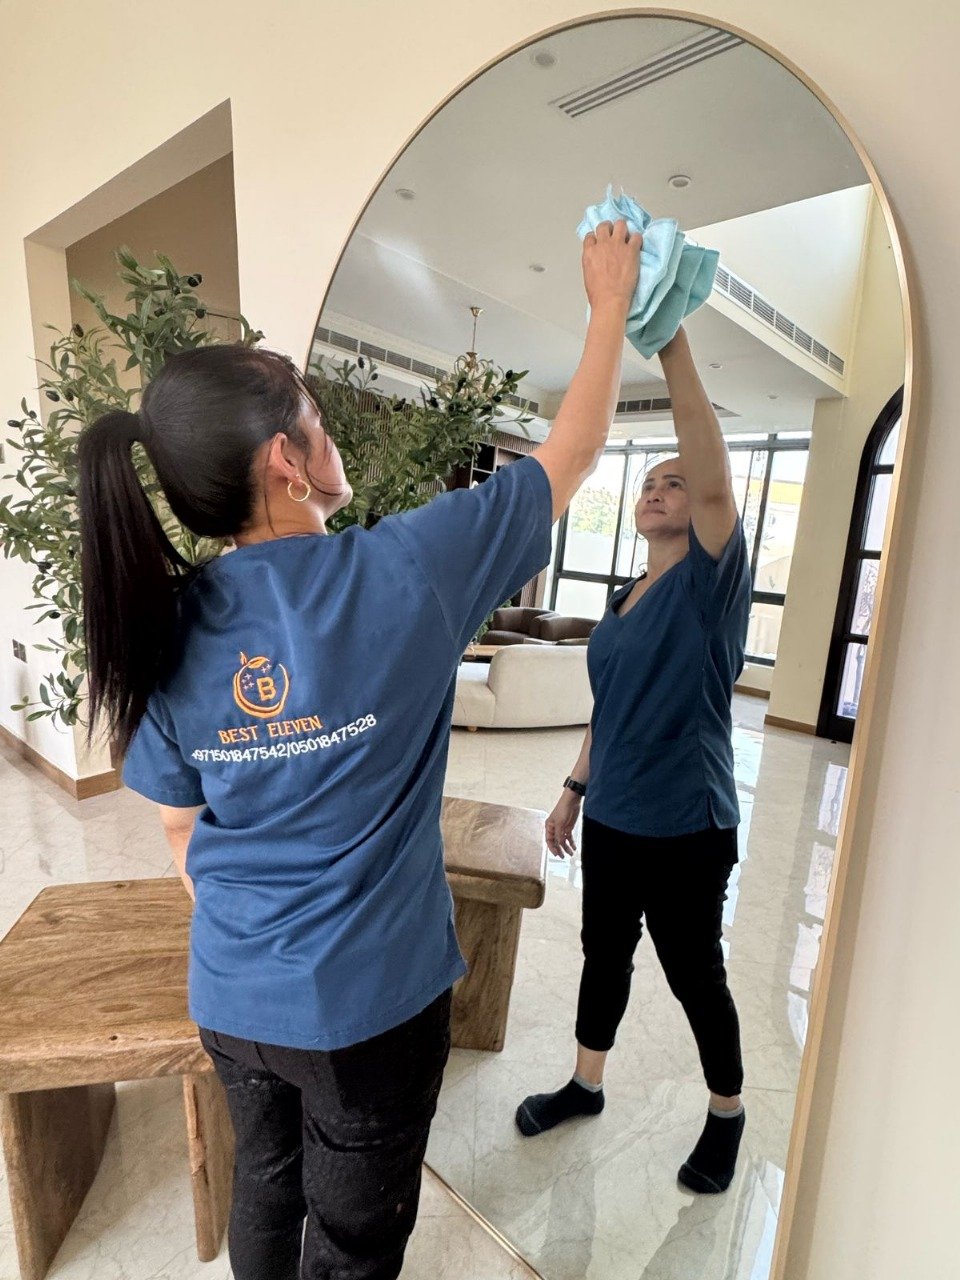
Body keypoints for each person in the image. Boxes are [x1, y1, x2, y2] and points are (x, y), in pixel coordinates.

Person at [76, 219, 641, 1280]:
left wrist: (257, 926)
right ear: (287, 461)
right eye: (318, 419)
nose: (330, 437)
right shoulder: (409, 570)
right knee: (355, 1236)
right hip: (369, 1007)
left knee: (265, 1185)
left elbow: (174, 821)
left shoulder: (168, 620)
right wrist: (609, 305)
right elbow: (571, 453)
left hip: (233, 996)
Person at [515, 324, 751, 1197]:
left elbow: (715, 473)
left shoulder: (711, 584)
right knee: (603, 952)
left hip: (688, 823)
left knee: (695, 975)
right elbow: (607, 712)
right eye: (649, 482)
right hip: (613, 817)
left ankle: (726, 1114)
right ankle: (586, 1083)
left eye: (674, 482)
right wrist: (575, 787)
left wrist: (673, 344)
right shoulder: (623, 598)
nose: (658, 491)